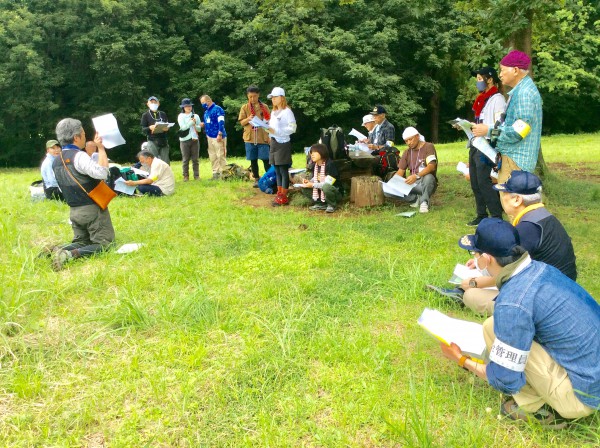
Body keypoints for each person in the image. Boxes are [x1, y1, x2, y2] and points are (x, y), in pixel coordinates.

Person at [440, 218, 600, 429]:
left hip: (583, 396)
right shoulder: (541, 269)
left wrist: (462, 360)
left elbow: (506, 379)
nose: (475, 260)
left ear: (486, 259)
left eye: (475, 254)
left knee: (497, 336)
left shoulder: (514, 302)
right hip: (591, 374)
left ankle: (538, 408)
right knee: (491, 326)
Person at [428, 170, 577, 315]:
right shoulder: (539, 217)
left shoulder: (528, 228)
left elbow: (509, 273)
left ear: (517, 200)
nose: (502, 197)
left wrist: (474, 283)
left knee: (471, 296)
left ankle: (460, 294)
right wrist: (480, 261)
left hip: (546, 300)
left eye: (505, 193)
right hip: (557, 288)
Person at [49, 118, 115, 271]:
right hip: (91, 208)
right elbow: (102, 173)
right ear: (76, 137)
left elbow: (61, 187)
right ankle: (68, 255)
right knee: (105, 244)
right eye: (84, 134)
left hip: (74, 210)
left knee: (82, 241)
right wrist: (101, 149)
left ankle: (56, 249)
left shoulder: (56, 161)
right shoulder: (79, 156)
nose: (85, 137)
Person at [471, 50, 542, 183]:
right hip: (512, 160)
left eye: (503, 70)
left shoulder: (524, 94)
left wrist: (489, 131)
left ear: (515, 70)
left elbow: (517, 132)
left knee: (510, 197)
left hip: (515, 162)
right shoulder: (520, 91)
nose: (500, 74)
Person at [467, 67, 506, 226]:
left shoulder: (497, 99)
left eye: (479, 79)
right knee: (475, 181)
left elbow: (499, 125)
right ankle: (481, 214)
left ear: (489, 79)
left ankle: (496, 215)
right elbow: (480, 121)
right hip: (475, 143)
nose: (477, 82)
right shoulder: (482, 99)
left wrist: (494, 144)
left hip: (487, 144)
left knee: (484, 181)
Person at [385, 127, 438, 213]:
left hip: (425, 182)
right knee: (387, 191)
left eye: (410, 139)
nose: (409, 143)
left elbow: (432, 166)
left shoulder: (428, 146)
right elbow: (400, 172)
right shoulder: (407, 152)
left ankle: (424, 202)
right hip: (412, 184)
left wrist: (416, 176)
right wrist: (392, 183)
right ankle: (414, 199)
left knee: (429, 177)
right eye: (406, 141)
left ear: (417, 136)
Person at [266, 87, 297, 206]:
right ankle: (279, 194)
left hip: (283, 142)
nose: (273, 99)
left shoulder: (287, 111)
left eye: (275, 97)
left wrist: (278, 131)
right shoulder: (273, 112)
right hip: (273, 142)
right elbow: (272, 127)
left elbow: (292, 128)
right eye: (272, 97)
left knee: (283, 170)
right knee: (277, 169)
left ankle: (284, 196)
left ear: (282, 98)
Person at [238, 86, 271, 187]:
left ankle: (270, 178)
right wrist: (248, 119)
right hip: (250, 138)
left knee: (266, 159)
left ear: (258, 95)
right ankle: (256, 178)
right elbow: (242, 122)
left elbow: (269, 122)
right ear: (247, 96)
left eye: (254, 96)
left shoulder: (264, 107)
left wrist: (270, 135)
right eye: (250, 97)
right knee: (253, 159)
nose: (252, 99)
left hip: (262, 137)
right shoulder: (245, 107)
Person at [298, 143, 342, 213]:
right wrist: (309, 182)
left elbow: (328, 183)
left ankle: (332, 205)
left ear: (322, 152)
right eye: (311, 153)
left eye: (315, 152)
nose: (312, 155)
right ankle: (321, 204)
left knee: (326, 187)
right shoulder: (315, 165)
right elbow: (316, 178)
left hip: (335, 192)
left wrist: (312, 185)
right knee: (304, 187)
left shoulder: (330, 165)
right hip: (322, 190)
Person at [199, 94, 227, 180]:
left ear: (208, 101)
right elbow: (209, 122)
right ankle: (215, 173)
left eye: (203, 102)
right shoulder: (206, 112)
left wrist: (220, 134)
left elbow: (221, 122)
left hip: (218, 135)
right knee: (212, 155)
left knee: (220, 155)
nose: (202, 104)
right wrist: (203, 124)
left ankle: (224, 174)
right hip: (209, 136)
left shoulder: (218, 109)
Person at [177, 98, 202, 181]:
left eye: (190, 106)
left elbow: (199, 129)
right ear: (183, 107)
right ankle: (185, 176)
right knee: (185, 159)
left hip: (194, 139)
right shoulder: (181, 116)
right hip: (184, 140)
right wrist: (191, 123)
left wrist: (195, 125)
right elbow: (183, 127)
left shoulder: (196, 116)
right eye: (186, 106)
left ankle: (196, 175)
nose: (188, 107)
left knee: (195, 159)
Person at [141, 96, 171, 164]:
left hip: (163, 140)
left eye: (155, 102)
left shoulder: (163, 114)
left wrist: (167, 128)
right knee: (153, 161)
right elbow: (143, 129)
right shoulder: (145, 115)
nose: (153, 104)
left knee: (165, 162)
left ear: (158, 104)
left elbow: (167, 125)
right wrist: (150, 128)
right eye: (151, 102)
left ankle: (165, 171)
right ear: (148, 104)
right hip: (152, 140)